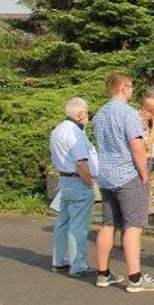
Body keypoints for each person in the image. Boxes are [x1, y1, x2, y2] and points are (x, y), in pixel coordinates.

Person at [92, 73, 154, 292]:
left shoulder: (99, 114)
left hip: (106, 175)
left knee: (108, 224)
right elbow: (137, 148)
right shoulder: (129, 114)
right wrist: (144, 175)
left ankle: (103, 274)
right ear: (123, 88)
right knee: (133, 226)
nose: (132, 91)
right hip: (127, 175)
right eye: (131, 87)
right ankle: (135, 278)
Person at [50, 97, 97, 277]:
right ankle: (78, 265)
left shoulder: (57, 130)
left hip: (64, 179)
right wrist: (88, 182)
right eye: (86, 112)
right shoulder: (76, 133)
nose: (87, 116)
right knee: (79, 225)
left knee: (63, 222)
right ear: (79, 115)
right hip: (77, 180)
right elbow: (81, 163)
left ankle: (59, 260)